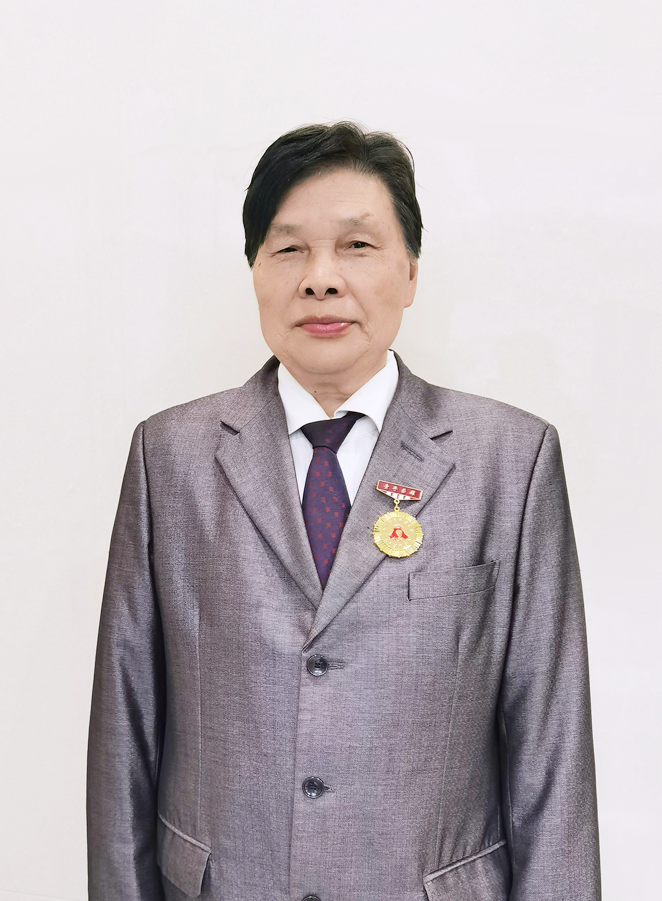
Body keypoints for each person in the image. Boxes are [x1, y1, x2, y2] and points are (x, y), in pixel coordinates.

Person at [87, 122, 601, 901]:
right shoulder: (170, 457)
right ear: (255, 270)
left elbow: (552, 757)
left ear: (410, 270)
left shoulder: (511, 460)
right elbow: (124, 734)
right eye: (289, 249)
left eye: (356, 246)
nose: (321, 278)